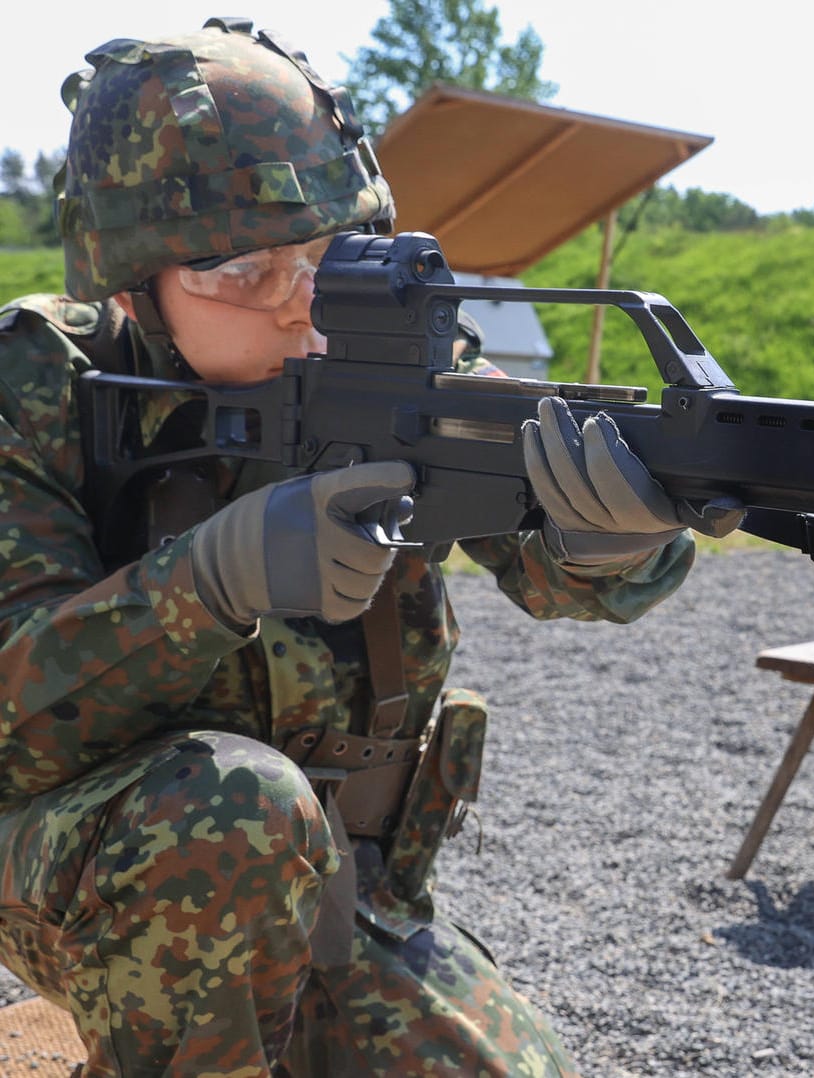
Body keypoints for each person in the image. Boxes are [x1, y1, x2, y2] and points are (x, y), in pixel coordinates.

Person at [0, 18, 738, 1076]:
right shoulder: (37, 392)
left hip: (340, 890)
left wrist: (615, 536)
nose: (301, 304)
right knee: (231, 806)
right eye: (244, 270)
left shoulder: (395, 358)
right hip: (87, 867)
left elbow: (566, 580)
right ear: (132, 285)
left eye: (326, 256)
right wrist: (208, 582)